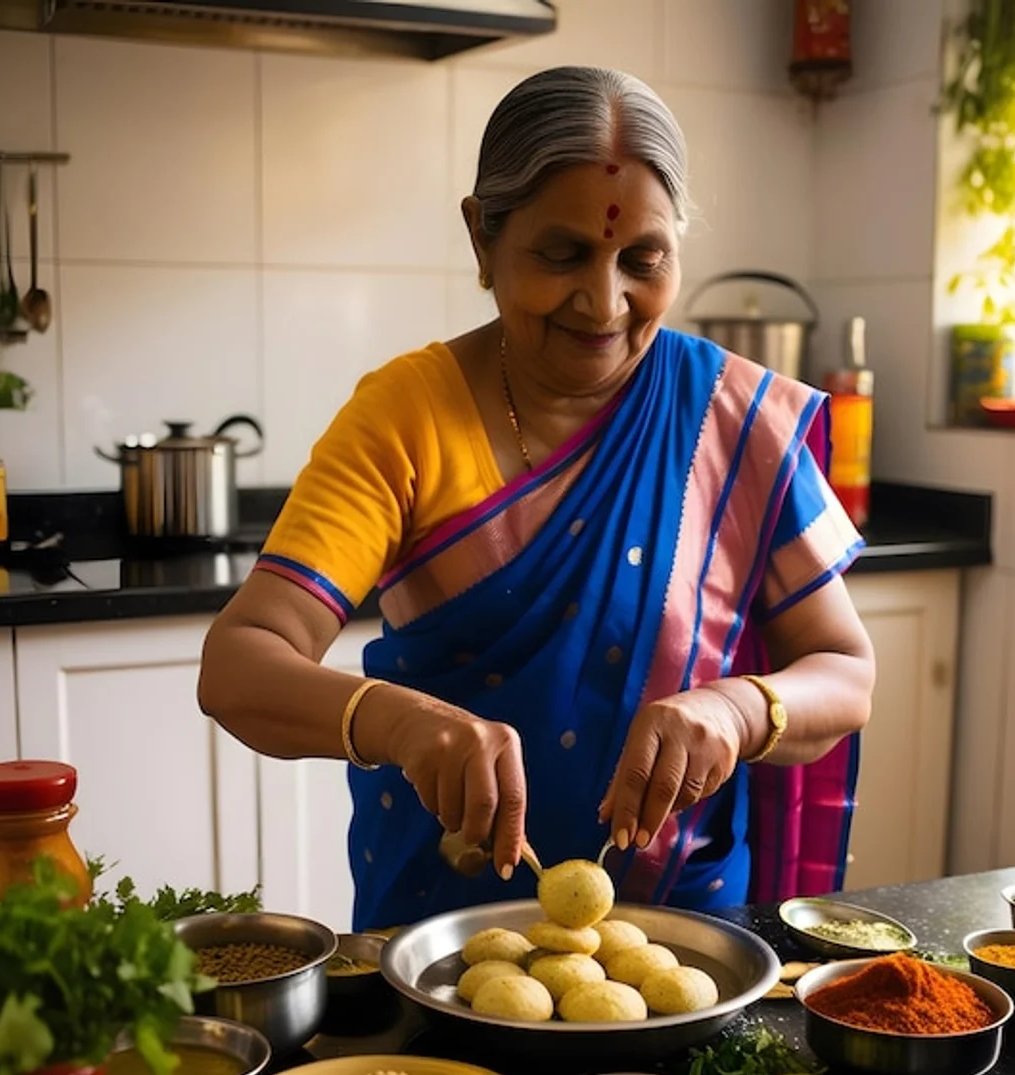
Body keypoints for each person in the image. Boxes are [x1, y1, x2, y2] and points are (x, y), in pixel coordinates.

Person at [198, 66, 875, 931]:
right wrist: (399, 724)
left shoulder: (734, 419)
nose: (604, 301)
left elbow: (846, 675)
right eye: (562, 256)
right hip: (442, 943)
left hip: (686, 947)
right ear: (483, 238)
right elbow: (239, 663)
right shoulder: (404, 417)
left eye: (644, 258)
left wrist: (738, 708)